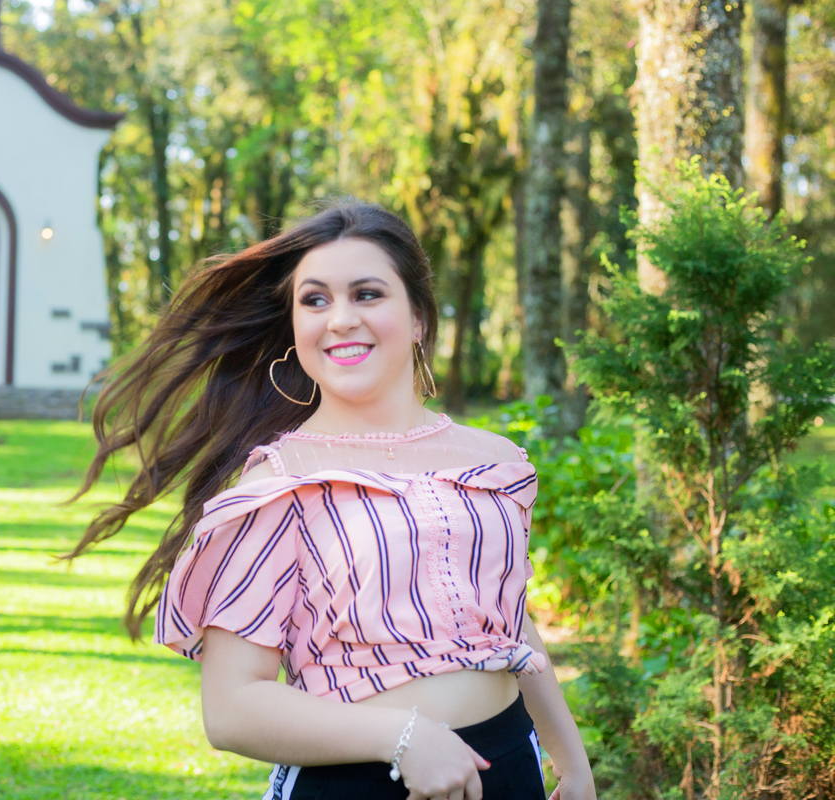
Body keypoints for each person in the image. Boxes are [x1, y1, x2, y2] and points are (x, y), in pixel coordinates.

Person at [70, 201, 596, 800]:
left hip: (510, 770)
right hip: (357, 783)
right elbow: (231, 707)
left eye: (367, 294)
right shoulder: (280, 482)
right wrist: (403, 737)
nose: (340, 319)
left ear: (419, 317)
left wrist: (571, 760)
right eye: (315, 300)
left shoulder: (495, 463)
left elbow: (512, 625)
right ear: (295, 328)